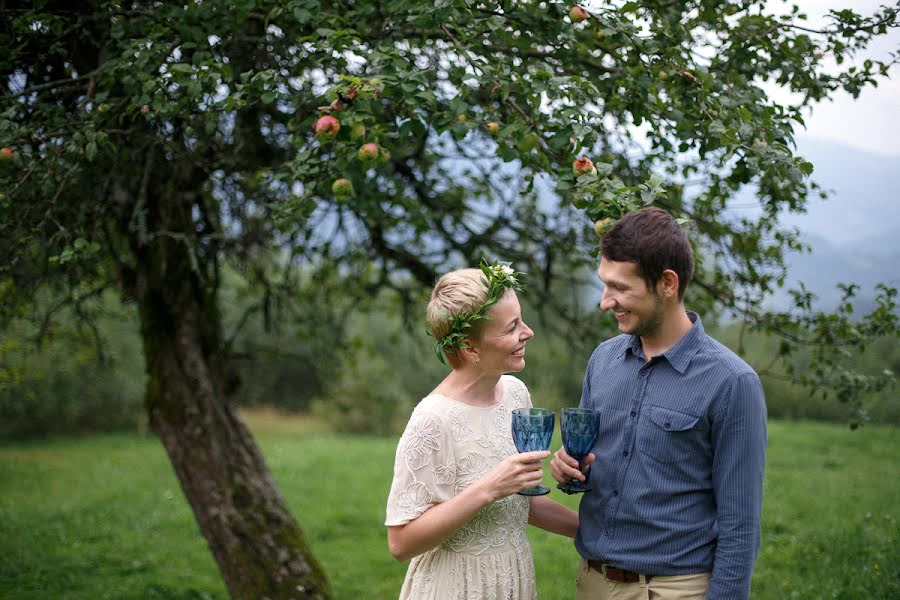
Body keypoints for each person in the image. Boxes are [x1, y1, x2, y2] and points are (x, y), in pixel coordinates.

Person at [550, 207, 767, 600]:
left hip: (673, 590)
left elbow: (740, 526)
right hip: (593, 583)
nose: (605, 302)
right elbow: (590, 471)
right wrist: (569, 470)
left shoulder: (733, 383)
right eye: (604, 284)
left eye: (620, 288)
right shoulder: (603, 359)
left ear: (667, 283)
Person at [386, 260, 579, 599]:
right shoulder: (432, 419)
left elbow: (518, 504)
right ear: (469, 348)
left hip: (512, 579)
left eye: (521, 320)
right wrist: (489, 487)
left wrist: (598, 536)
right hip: (455, 587)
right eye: (511, 328)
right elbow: (401, 543)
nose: (527, 333)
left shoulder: (516, 394)